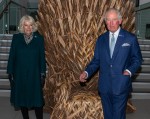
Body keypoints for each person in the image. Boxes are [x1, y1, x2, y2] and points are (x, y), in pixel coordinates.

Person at [79, 8, 143, 119]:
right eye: (108, 20)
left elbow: (137, 59)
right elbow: (96, 61)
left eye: (114, 20)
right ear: (105, 22)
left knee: (118, 116)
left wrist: (128, 71)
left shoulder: (130, 38)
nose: (111, 23)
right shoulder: (101, 39)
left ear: (120, 21)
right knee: (108, 115)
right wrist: (86, 72)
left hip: (121, 84)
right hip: (104, 86)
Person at [7, 15, 46, 119]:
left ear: (33, 26)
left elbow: (42, 57)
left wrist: (43, 73)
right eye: (26, 25)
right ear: (22, 26)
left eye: (30, 25)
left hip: (34, 75)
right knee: (22, 99)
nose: (28, 28)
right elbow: (12, 56)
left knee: (37, 101)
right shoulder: (16, 38)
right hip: (20, 74)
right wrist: (10, 72)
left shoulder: (39, 39)